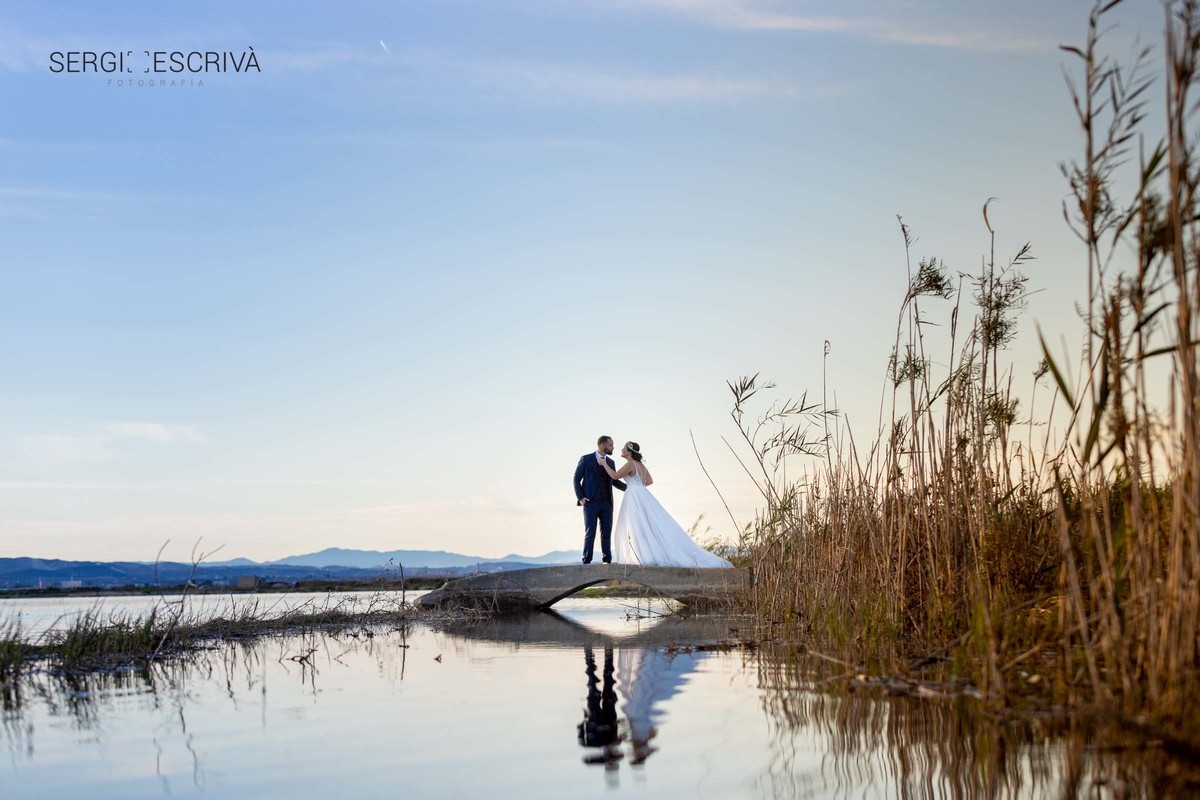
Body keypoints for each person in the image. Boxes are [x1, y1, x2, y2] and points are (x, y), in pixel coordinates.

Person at [596, 441, 732, 567]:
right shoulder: (641, 465)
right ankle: (645, 555)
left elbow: (614, 476)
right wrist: (638, 487)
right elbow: (649, 481)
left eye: (624, 448)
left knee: (637, 525)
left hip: (634, 495)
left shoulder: (630, 464)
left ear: (629, 452)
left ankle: (644, 556)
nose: (621, 449)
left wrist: (603, 464)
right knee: (645, 524)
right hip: (641, 493)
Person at [573, 435, 627, 564]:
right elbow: (576, 479)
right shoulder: (586, 459)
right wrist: (581, 498)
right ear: (602, 446)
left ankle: (607, 560)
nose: (613, 447)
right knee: (590, 532)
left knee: (606, 533)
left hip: (607, 503)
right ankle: (586, 561)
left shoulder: (611, 462)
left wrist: (630, 488)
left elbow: (614, 480)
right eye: (611, 445)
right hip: (590, 502)